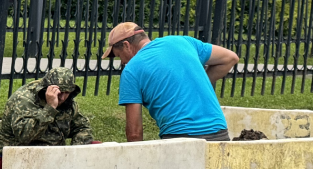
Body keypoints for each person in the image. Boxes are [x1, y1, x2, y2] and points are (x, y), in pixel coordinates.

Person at [102, 22, 239, 142]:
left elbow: (134, 134)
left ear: (127, 45)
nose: (122, 62)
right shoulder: (183, 42)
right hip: (220, 134)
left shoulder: (131, 70)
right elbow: (230, 58)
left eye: (120, 56)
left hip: (180, 139)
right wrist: (193, 84)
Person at [0, 67, 95, 169]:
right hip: (20, 153)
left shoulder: (68, 102)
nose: (63, 98)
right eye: (60, 92)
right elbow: (25, 136)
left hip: (52, 153)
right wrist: (50, 108)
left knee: (97, 148)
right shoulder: (24, 99)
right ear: (47, 89)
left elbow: (82, 128)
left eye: (67, 92)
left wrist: (76, 152)